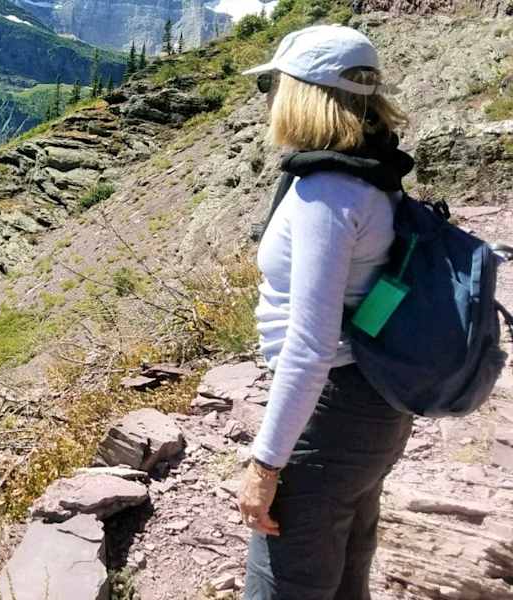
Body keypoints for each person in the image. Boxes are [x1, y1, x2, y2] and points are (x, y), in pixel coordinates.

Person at [235, 25, 415, 599]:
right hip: (376, 402)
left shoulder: (328, 192)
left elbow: (309, 346)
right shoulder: (377, 174)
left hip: (332, 409)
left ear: (302, 92)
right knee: (343, 575)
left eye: (275, 85)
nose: (269, 98)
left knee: (284, 583)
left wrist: (264, 467)